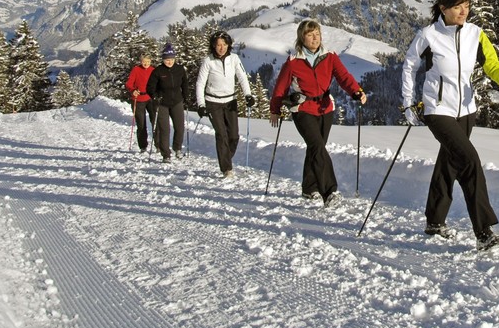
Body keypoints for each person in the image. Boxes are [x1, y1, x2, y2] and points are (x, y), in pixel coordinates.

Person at [401, 0, 499, 251]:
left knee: (450, 162)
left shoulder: (476, 34)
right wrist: (408, 102)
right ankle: (483, 232)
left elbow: (492, 66)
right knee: (469, 161)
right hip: (438, 109)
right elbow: (410, 64)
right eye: (457, 6)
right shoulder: (429, 35)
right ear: (443, 8)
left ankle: (434, 220)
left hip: (466, 110)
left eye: (467, 5)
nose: (463, 11)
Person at [269, 19, 367, 207]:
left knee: (316, 148)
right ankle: (329, 191)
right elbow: (280, 89)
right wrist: (274, 109)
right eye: (309, 34)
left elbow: (343, 76)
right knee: (317, 147)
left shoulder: (329, 56)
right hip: (302, 109)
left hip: (324, 108)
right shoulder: (293, 62)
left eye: (317, 34)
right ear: (302, 37)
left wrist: (356, 91)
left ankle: (308, 187)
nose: (315, 38)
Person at [195, 31, 255, 178]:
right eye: (218, 45)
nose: (221, 48)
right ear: (213, 46)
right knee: (221, 134)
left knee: (234, 135)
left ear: (228, 45)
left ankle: (225, 156)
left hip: (230, 101)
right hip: (213, 102)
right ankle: (226, 168)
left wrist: (248, 95)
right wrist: (201, 104)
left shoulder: (234, 59)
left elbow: (242, 77)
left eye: (224, 44)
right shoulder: (208, 61)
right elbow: (200, 83)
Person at [146, 42, 189, 163]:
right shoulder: (158, 71)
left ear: (174, 58)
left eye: (171, 59)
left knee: (179, 127)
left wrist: (186, 97)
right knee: (164, 129)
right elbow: (150, 87)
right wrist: (155, 96)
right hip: (162, 103)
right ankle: (166, 154)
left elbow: (185, 84)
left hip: (177, 101)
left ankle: (177, 148)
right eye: (166, 59)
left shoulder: (180, 69)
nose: (169, 62)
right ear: (163, 59)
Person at [126, 53, 157, 153]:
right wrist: (133, 90)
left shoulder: (153, 70)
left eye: (148, 61)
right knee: (141, 124)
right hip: (138, 99)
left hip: (151, 98)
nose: (146, 63)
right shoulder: (136, 69)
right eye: (144, 61)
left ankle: (158, 144)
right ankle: (143, 146)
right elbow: (129, 83)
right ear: (141, 61)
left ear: (151, 61)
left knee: (155, 122)